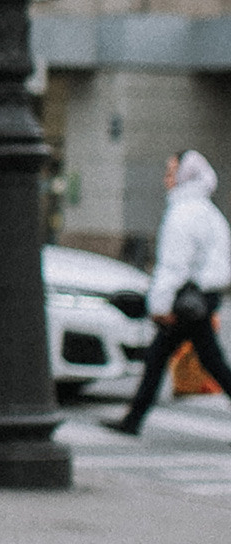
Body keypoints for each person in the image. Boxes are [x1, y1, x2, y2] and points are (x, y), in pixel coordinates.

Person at [111, 150, 231, 432]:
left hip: (186, 300)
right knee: (196, 359)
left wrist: (159, 306)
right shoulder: (207, 210)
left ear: (184, 176)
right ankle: (132, 420)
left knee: (178, 359)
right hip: (202, 297)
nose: (166, 178)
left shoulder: (183, 212)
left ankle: (132, 420)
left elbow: (173, 266)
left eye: (170, 171)